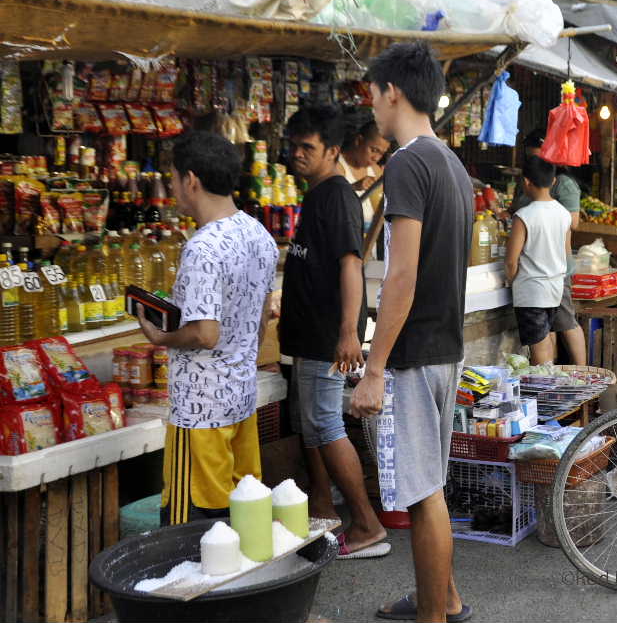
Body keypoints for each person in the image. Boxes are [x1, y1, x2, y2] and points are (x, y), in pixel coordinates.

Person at [348, 42, 473, 623]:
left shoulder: (406, 162)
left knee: (424, 495)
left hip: (415, 352)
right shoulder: (451, 163)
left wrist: (374, 369)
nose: (371, 105)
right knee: (431, 486)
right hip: (444, 345)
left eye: (373, 93)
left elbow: (402, 274)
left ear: (392, 91)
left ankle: (434, 616)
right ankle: (441, 599)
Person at [136, 131, 278, 526]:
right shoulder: (258, 234)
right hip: (241, 399)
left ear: (191, 180)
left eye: (173, 177)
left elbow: (203, 333)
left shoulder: (203, 248)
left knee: (191, 524)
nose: (173, 187)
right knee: (243, 514)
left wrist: (161, 336)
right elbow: (263, 316)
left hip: (200, 411)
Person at [279, 105, 387, 559]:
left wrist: (348, 332)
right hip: (308, 333)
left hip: (328, 334)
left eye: (308, 148)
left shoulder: (338, 196)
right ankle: (324, 511)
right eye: (294, 146)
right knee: (311, 425)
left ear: (333, 151)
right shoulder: (318, 194)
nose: (298, 155)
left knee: (325, 424)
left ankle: (366, 524)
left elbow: (351, 264)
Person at [508, 129, 586, 366]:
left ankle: (544, 391)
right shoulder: (562, 215)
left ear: (526, 182)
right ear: (552, 181)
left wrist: (512, 281)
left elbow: (511, 260)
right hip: (553, 286)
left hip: (531, 291)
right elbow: (564, 251)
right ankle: (553, 383)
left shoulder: (523, 216)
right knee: (547, 336)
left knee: (539, 344)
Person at [340, 109, 392, 230]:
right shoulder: (338, 166)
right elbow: (330, 198)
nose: (376, 158)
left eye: (381, 154)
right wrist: (353, 187)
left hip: (368, 242)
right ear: (359, 141)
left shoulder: (375, 170)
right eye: (373, 150)